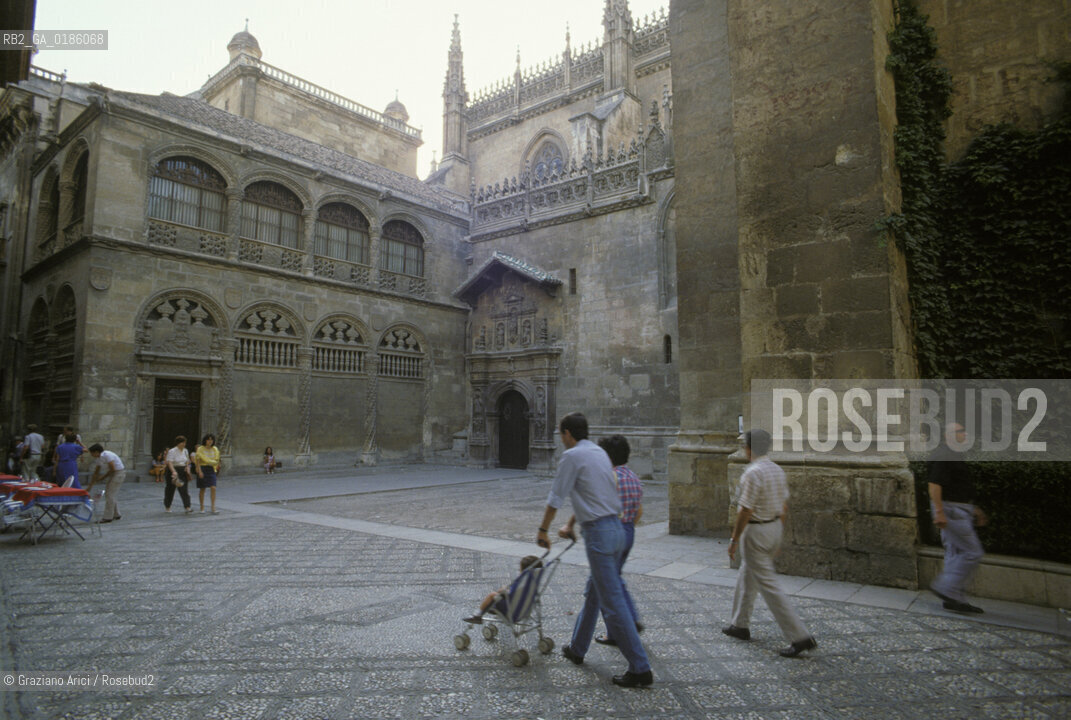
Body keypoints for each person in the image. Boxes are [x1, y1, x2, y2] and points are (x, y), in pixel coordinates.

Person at [538, 412, 653, 688]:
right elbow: (599, 493)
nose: (561, 439)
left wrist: (543, 530)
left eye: (560, 434)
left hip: (600, 534)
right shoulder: (600, 454)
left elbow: (556, 496)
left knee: (612, 603)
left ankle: (640, 667)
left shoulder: (572, 456)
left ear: (567, 433)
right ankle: (577, 648)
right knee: (594, 592)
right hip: (617, 530)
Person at [722, 429, 817, 658]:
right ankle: (740, 624)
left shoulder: (752, 473)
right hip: (773, 526)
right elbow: (783, 507)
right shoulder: (776, 469)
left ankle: (799, 635)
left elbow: (745, 509)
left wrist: (734, 539)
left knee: (769, 585)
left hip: (756, 530)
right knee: (748, 574)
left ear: (748, 448)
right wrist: (778, 535)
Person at [928, 422, 987, 614]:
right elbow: (934, 485)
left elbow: (957, 485)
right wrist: (939, 511)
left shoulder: (953, 454)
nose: (965, 434)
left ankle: (954, 598)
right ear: (949, 436)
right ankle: (946, 587)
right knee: (972, 552)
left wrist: (973, 508)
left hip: (957, 508)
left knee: (955, 552)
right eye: (961, 431)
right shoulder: (945, 455)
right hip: (951, 510)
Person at [594, 434, 644, 646]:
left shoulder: (608, 478)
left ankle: (624, 624)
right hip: (629, 531)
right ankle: (625, 623)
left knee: (609, 584)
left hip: (611, 533)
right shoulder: (633, 477)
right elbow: (639, 511)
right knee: (613, 579)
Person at [462, 555, 544, 624]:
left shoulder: (520, 583)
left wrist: (503, 590)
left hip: (511, 611)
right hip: (525, 611)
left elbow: (510, 594)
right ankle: (490, 609)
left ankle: (478, 615)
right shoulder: (533, 585)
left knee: (492, 595)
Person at [86, 443, 126, 523]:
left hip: (118, 473)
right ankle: (116, 514)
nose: (91, 455)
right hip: (114, 474)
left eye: (92, 453)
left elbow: (112, 469)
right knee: (110, 494)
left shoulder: (107, 455)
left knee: (110, 494)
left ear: (96, 452)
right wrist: (90, 486)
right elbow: (96, 472)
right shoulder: (99, 458)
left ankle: (108, 517)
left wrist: (103, 477)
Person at [164, 435, 194, 514]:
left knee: (184, 489)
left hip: (182, 470)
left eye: (184, 443)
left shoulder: (185, 450)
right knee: (170, 489)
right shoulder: (172, 451)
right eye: (182, 443)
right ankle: (168, 506)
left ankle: (187, 506)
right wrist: (173, 471)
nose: (184, 444)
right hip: (174, 469)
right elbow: (169, 462)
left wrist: (187, 467)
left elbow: (187, 460)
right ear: (178, 443)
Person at [194, 433, 222, 514]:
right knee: (202, 488)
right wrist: (199, 471)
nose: (210, 441)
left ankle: (213, 507)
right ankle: (202, 507)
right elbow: (198, 460)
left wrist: (216, 465)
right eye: (208, 439)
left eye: (211, 440)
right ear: (205, 440)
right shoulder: (201, 449)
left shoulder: (215, 449)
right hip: (203, 468)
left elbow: (217, 459)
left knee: (213, 487)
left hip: (211, 468)